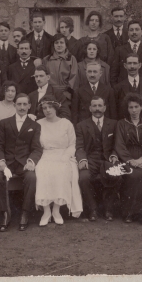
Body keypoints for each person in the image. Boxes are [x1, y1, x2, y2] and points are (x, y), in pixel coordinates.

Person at [0, 93, 42, 232]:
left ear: (30, 106)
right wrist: (1, 160)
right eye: (19, 104)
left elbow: (37, 148)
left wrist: (31, 161)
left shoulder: (35, 125)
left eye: (25, 104)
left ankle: (25, 213)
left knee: (32, 177)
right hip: (6, 162)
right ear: (14, 105)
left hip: (23, 163)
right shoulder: (5, 122)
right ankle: (4, 214)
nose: (22, 107)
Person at [34, 95, 83, 226]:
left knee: (61, 170)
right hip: (45, 154)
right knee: (42, 170)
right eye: (44, 108)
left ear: (56, 108)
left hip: (63, 154)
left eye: (50, 107)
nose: (47, 110)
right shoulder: (38, 124)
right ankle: (46, 211)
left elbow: (72, 144)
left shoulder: (66, 123)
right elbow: (36, 145)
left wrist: (65, 156)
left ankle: (56, 210)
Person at [76, 96, 121, 221]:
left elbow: (118, 144)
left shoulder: (114, 124)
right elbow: (79, 146)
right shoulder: (81, 125)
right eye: (94, 106)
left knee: (117, 175)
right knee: (84, 178)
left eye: (100, 106)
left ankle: (108, 209)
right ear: (90, 108)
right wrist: (82, 159)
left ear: (105, 108)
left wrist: (114, 155)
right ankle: (93, 209)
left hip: (108, 159)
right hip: (91, 159)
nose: (97, 109)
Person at [114, 93, 142, 226]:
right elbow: (119, 145)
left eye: (136, 107)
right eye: (130, 107)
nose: (133, 110)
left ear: (141, 107)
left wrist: (141, 160)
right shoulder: (121, 124)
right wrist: (131, 160)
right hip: (127, 157)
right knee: (132, 176)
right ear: (127, 109)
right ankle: (129, 212)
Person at [113, 53, 142, 122]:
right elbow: (115, 111)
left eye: (135, 63)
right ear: (125, 65)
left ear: (139, 65)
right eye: (129, 63)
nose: (132, 66)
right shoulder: (118, 87)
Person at [113, 19, 142, 85]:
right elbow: (114, 73)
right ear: (128, 32)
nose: (134, 32)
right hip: (123, 88)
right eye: (131, 30)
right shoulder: (119, 50)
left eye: (137, 29)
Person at [43, 34, 78, 103]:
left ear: (66, 45)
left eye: (61, 42)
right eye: (56, 43)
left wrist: (67, 92)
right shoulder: (47, 59)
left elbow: (74, 77)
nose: (59, 45)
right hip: (50, 94)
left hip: (66, 95)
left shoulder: (71, 59)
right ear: (53, 45)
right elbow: (44, 77)